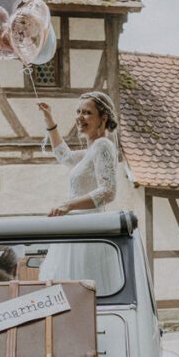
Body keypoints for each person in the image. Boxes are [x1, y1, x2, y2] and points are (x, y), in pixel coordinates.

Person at [36, 92, 121, 290]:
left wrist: (67, 205)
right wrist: (49, 119)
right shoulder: (92, 149)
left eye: (87, 113)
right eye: (78, 112)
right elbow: (64, 155)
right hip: (76, 228)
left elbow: (108, 191)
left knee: (79, 289)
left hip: (88, 231)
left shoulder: (103, 146)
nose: (80, 117)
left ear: (103, 118)